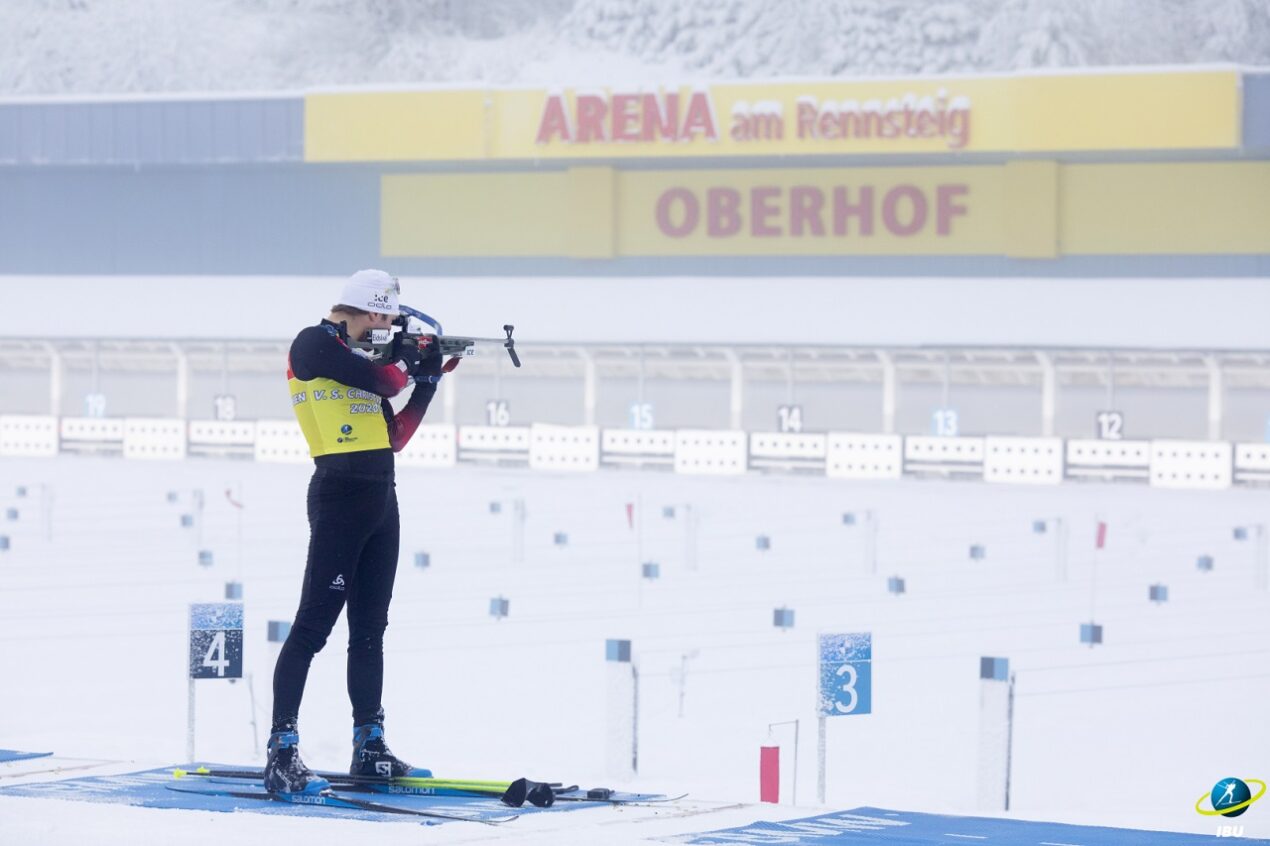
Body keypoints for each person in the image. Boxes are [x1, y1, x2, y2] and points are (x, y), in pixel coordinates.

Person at [265, 269, 454, 795]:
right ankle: (281, 753)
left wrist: (430, 381)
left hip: (380, 498)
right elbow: (390, 379)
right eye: (388, 317)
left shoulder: (362, 365)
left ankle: (369, 745)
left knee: (371, 630)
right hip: (340, 496)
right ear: (371, 313)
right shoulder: (313, 346)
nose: (389, 326)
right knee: (311, 629)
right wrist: (408, 362)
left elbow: (394, 436)